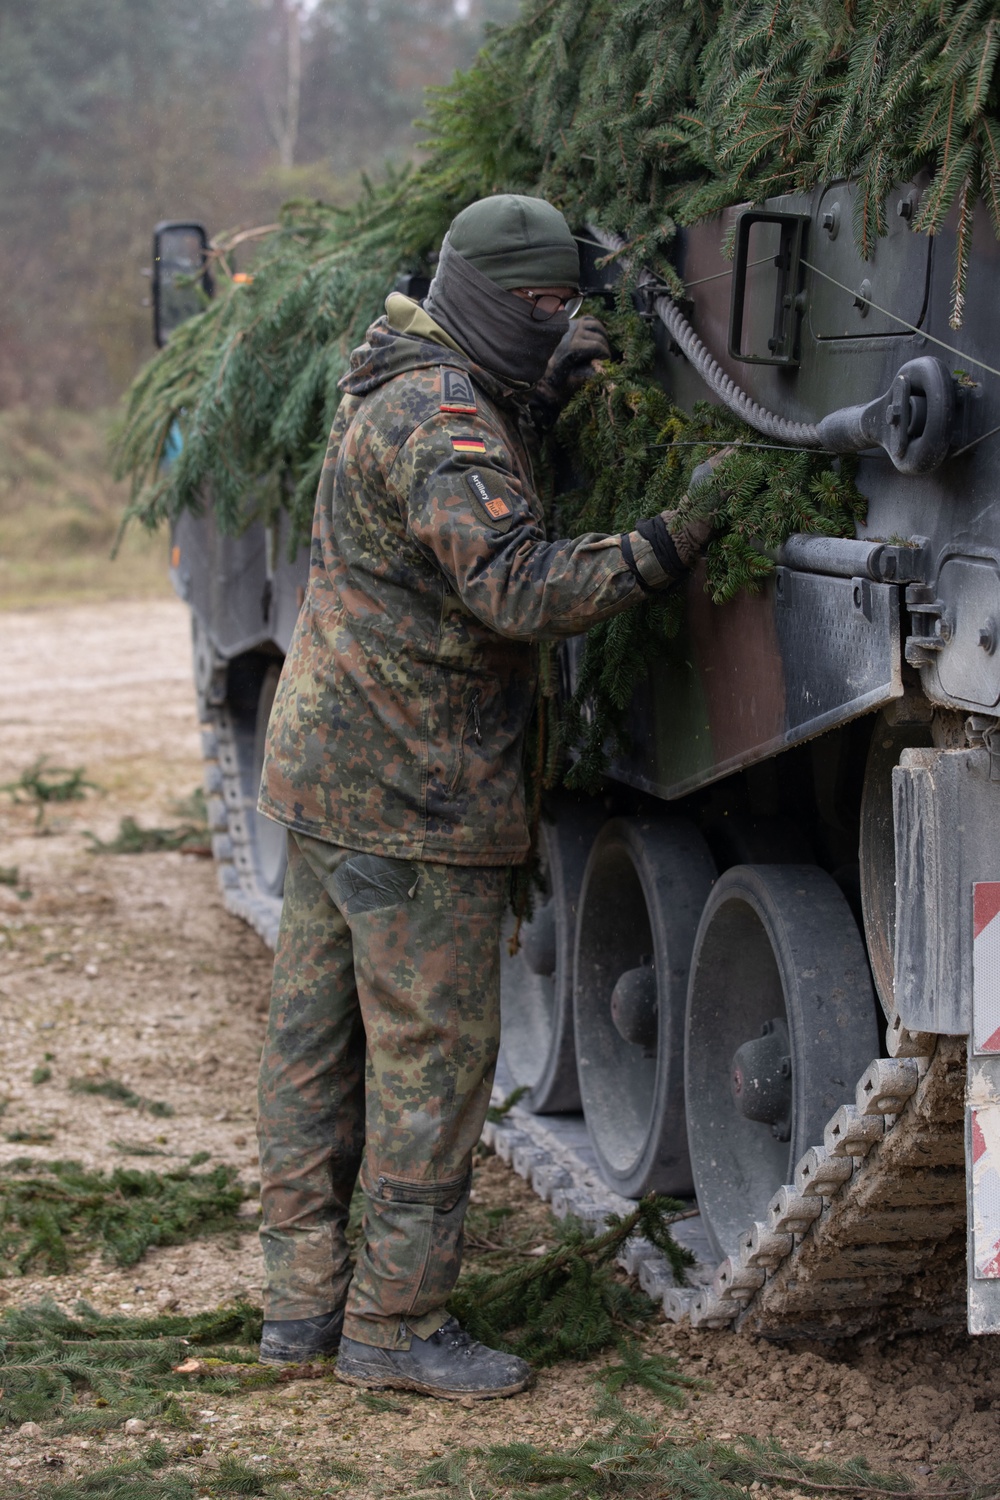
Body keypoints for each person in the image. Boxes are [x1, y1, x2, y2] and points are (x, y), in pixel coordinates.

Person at [254, 194, 719, 1399]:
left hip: (330, 771)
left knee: (313, 1052)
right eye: (542, 308)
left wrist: (554, 373)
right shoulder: (443, 419)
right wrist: (672, 538)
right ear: (489, 300)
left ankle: (301, 1307)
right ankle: (396, 1329)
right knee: (432, 1061)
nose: (557, 325)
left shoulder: (403, 361)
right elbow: (513, 584)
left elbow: (478, 436)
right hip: (411, 788)